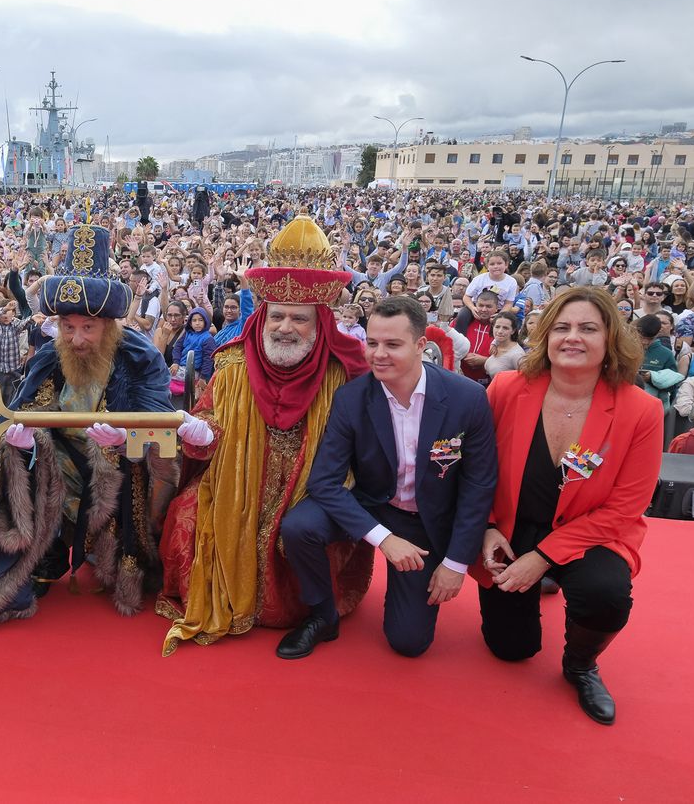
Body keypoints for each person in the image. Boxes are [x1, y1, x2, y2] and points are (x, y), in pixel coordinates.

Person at [0, 222, 197, 631]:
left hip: (120, 460)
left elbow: (157, 419)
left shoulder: (139, 357)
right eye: (68, 327)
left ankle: (120, 563)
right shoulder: (52, 354)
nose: (76, 339)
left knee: (129, 490)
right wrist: (21, 436)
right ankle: (45, 556)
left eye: (87, 328)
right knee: (27, 474)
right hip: (60, 459)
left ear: (108, 326)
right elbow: (22, 407)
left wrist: (126, 437)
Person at [159, 216, 372, 654]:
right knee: (185, 515)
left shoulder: (342, 373)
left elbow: (361, 448)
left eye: (299, 318)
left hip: (310, 487)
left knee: (295, 531)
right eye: (277, 316)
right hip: (237, 479)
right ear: (263, 313)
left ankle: (313, 612)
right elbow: (208, 426)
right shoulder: (232, 364)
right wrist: (200, 434)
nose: (285, 327)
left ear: (320, 321)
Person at [474, 287, 662, 725]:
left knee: (604, 595)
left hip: (589, 535)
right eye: (562, 327)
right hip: (512, 527)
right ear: (546, 336)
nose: (572, 337)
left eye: (587, 328)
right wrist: (484, 525)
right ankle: (544, 582)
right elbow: (476, 468)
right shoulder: (505, 389)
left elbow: (624, 509)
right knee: (511, 650)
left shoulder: (642, 411)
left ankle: (580, 664)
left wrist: (542, 558)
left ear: (611, 339)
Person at [276, 296, 498, 659]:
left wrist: (456, 563)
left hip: (426, 521)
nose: (378, 354)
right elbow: (324, 481)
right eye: (373, 343)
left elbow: (478, 485)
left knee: (408, 643)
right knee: (300, 527)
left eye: (392, 344)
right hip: (373, 504)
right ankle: (322, 615)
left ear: (420, 345)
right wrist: (383, 538)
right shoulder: (351, 398)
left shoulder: (467, 399)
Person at [484, 311, 525, 382]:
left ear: (513, 331)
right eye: (497, 327)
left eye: (505, 328)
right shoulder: (496, 343)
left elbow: (523, 381)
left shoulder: (517, 355)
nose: (500, 331)